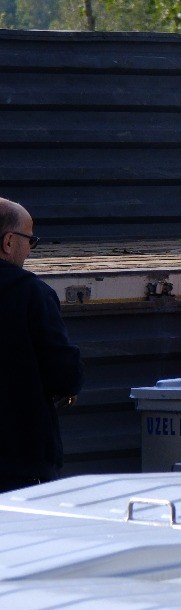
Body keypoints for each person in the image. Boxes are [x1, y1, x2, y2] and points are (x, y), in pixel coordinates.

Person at [0, 197, 81, 492]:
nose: (30, 249)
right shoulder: (32, 294)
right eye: (30, 239)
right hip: (21, 465)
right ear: (9, 242)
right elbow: (63, 372)